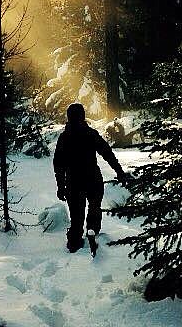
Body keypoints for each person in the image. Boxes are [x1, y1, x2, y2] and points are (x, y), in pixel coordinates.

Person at [53, 102, 127, 253]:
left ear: (69, 117)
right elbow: (107, 153)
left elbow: (58, 165)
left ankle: (75, 242)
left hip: (73, 182)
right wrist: (119, 171)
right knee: (94, 208)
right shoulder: (91, 134)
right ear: (83, 116)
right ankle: (92, 232)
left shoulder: (64, 137)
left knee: (76, 215)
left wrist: (60, 186)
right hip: (92, 178)